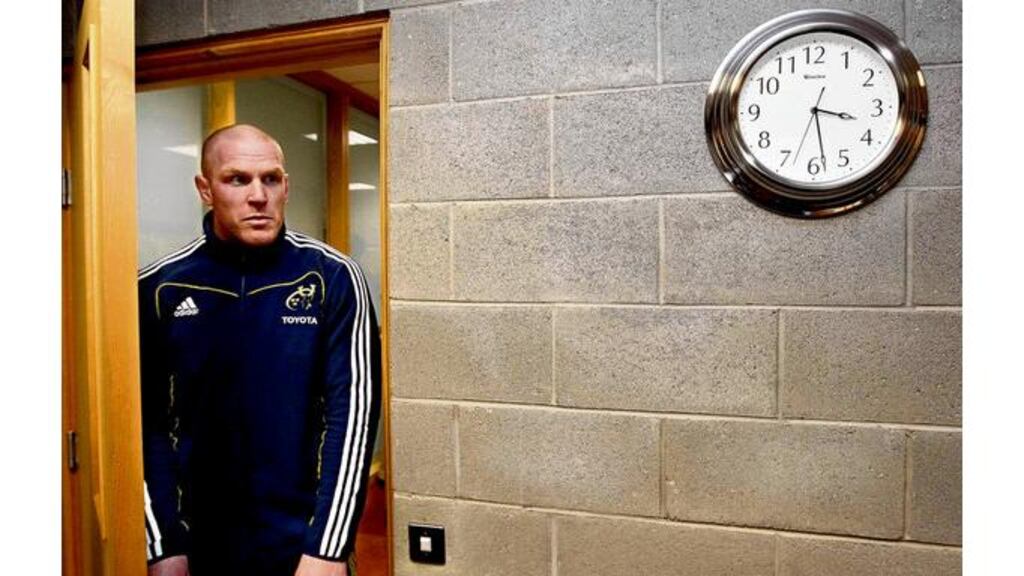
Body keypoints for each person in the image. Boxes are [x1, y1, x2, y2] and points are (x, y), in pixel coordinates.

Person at [138, 124, 380, 576]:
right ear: (205, 189)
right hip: (199, 550)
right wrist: (163, 544)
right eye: (237, 180)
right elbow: (142, 424)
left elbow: (353, 417)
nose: (258, 195)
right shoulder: (159, 288)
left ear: (286, 186)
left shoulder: (332, 278)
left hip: (303, 547)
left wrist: (328, 549)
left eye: (270, 179)